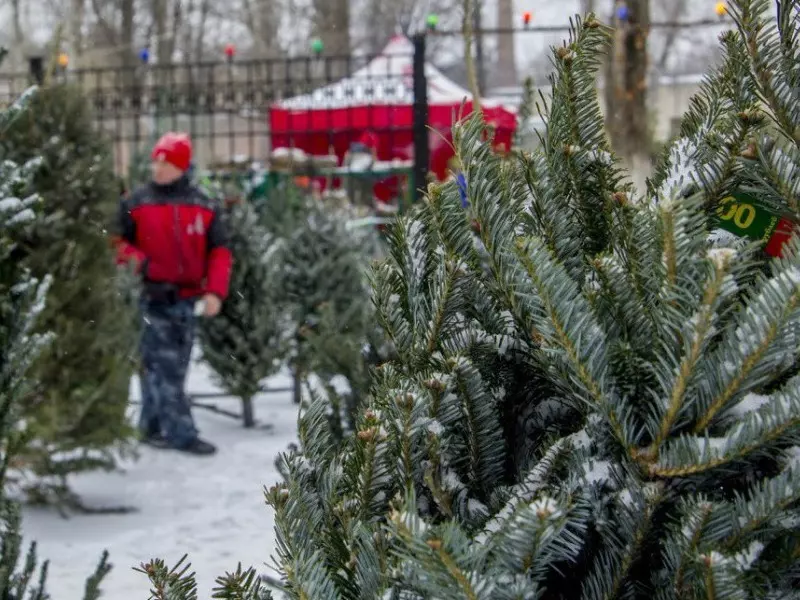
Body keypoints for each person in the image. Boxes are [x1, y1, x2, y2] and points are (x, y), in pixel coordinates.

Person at [113, 132, 232, 456]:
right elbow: (115, 242)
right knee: (166, 366)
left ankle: (150, 427)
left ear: (181, 165)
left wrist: (214, 293)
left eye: (165, 162)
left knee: (170, 365)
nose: (158, 167)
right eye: (157, 160)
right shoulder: (136, 203)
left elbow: (220, 251)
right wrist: (142, 264)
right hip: (151, 297)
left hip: (188, 299)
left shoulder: (203, 205)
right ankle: (181, 432)